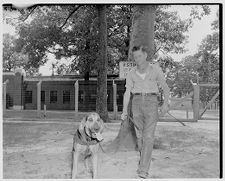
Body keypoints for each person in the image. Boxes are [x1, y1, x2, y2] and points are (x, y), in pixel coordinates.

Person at [121, 45, 170, 179]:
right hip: (136, 103)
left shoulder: (156, 70)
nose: (137, 59)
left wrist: (165, 103)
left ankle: (143, 169)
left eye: (140, 56)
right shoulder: (131, 72)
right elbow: (127, 92)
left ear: (146, 55)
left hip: (151, 103)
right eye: (135, 57)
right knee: (140, 137)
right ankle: (145, 158)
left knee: (148, 137)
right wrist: (124, 110)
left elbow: (165, 88)